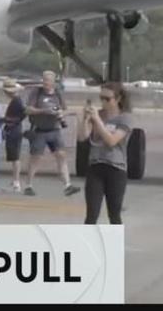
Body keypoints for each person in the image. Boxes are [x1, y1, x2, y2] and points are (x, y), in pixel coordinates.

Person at [79, 82, 133, 225]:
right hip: (96, 166)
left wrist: (97, 121)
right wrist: (85, 119)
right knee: (91, 214)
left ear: (118, 99)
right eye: (101, 98)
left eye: (107, 99)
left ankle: (114, 245)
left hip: (115, 168)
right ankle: (87, 245)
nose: (103, 102)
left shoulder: (124, 118)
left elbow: (111, 140)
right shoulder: (99, 114)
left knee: (114, 214)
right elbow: (82, 137)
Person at [24, 71, 79, 197]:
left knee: (61, 155)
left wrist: (61, 113)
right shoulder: (36, 93)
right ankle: (29, 185)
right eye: (44, 80)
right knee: (36, 158)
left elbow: (65, 109)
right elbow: (28, 109)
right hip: (39, 130)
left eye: (48, 80)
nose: (46, 83)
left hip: (54, 129)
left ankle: (67, 185)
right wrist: (44, 111)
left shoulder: (58, 94)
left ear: (53, 82)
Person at [0, 79, 27, 192]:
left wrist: (5, 120)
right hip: (14, 129)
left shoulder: (17, 101)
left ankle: (16, 182)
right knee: (14, 157)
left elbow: (23, 113)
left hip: (14, 130)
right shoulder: (16, 100)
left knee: (15, 157)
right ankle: (15, 181)